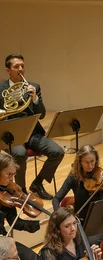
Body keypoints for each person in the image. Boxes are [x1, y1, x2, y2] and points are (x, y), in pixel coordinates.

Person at [3, 54, 63, 200]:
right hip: (11, 134)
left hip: (32, 132)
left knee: (57, 151)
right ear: (8, 70)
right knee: (19, 153)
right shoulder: (0, 88)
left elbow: (41, 115)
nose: (21, 69)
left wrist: (35, 98)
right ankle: (21, 189)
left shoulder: (34, 87)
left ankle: (38, 183)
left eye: (22, 66)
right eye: (16, 67)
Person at [0, 153, 41, 260]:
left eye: (14, 174)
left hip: (4, 240)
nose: (12, 179)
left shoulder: (7, 193)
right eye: (9, 174)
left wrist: (39, 224)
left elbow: (15, 222)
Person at [51, 145, 103, 216]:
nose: (90, 165)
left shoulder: (100, 175)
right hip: (81, 218)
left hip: (99, 216)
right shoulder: (74, 177)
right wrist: (58, 214)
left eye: (92, 161)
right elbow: (56, 199)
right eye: (86, 162)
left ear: (96, 160)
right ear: (80, 162)